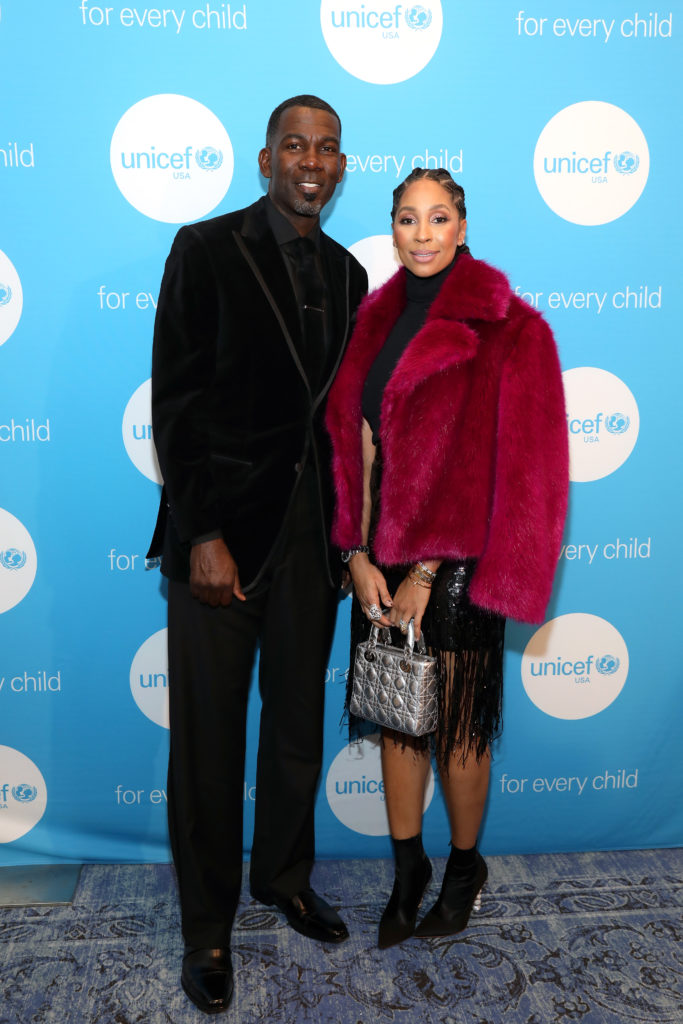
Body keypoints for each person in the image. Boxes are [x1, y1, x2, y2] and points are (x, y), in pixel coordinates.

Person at [148, 95, 368, 1013]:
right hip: (222, 544)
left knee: (291, 735)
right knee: (206, 742)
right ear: (264, 159)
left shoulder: (353, 275)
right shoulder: (205, 250)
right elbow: (178, 400)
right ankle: (206, 926)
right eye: (294, 146)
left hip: (312, 548)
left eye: (327, 148)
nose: (311, 161)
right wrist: (200, 533)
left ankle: (282, 876)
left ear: (339, 166)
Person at [325, 167, 568, 949]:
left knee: (458, 729)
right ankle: (407, 872)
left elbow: (525, 468)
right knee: (400, 720)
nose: (421, 234)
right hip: (377, 559)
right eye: (406, 219)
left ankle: (464, 866)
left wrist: (428, 571)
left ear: (462, 226)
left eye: (437, 219)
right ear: (391, 228)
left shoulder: (512, 328)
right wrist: (355, 553)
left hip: (460, 561)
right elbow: (350, 446)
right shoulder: (369, 319)